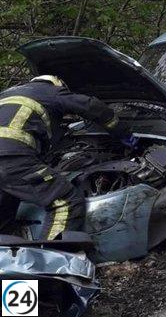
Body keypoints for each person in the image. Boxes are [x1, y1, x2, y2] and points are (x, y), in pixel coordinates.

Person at [0, 75, 135, 239]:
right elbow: (90, 105)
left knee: (5, 205)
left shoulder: (7, 94)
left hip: (8, 158)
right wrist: (121, 131)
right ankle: (52, 260)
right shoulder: (51, 91)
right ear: (56, 83)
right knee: (65, 201)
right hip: (10, 157)